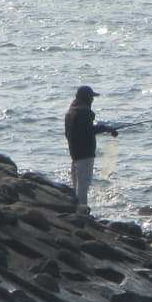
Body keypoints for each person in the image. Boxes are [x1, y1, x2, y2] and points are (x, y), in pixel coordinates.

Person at [65, 85, 118, 213]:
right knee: (84, 183)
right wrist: (106, 128)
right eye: (91, 97)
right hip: (85, 153)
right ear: (87, 98)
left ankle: (76, 207)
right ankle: (82, 211)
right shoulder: (84, 112)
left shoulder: (71, 112)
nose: (92, 100)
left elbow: (69, 133)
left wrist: (103, 128)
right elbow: (87, 131)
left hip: (75, 152)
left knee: (77, 183)